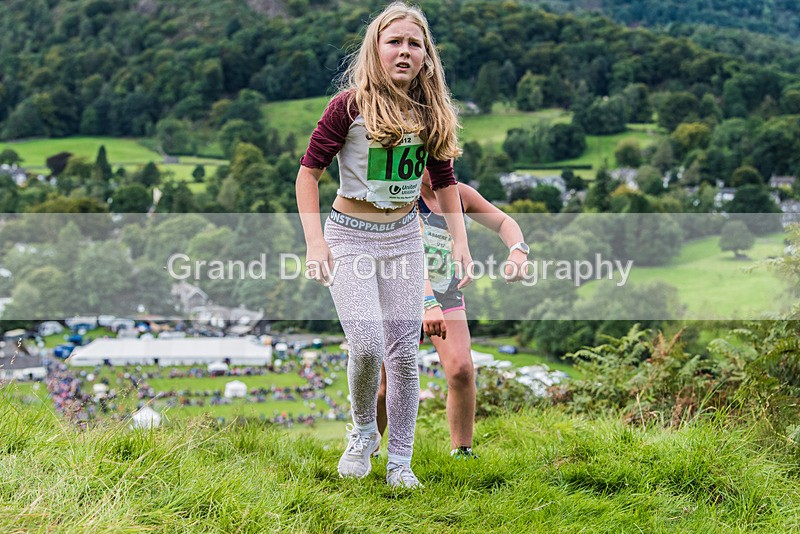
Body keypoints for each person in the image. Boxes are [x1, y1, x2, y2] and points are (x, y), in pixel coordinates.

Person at [295, 1, 472, 488]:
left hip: (404, 240)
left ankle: (400, 463)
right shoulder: (348, 106)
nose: (404, 51)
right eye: (394, 41)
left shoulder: (430, 111)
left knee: (403, 354)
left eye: (414, 44)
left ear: (426, 56)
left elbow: (446, 182)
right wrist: (315, 242)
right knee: (368, 344)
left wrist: (460, 242)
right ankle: (362, 432)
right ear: (375, 48)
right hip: (349, 237)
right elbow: (308, 174)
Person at [376, 171, 530, 459]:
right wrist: (426, 301)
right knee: (386, 385)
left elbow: (503, 221)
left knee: (461, 369)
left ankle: (462, 451)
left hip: (447, 293)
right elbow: (410, 259)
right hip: (401, 293)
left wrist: (518, 251)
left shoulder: (460, 194)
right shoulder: (402, 196)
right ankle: (368, 449)